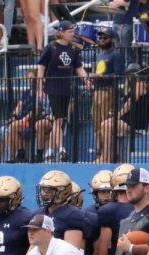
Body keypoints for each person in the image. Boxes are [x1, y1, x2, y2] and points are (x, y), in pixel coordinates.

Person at [36, 21, 91, 163]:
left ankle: (50, 151)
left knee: (60, 121)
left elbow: (79, 68)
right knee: (58, 119)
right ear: (61, 32)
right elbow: (41, 67)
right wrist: (40, 88)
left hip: (66, 89)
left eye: (73, 31)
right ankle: (61, 149)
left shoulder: (74, 49)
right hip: (52, 88)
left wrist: (86, 80)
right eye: (70, 31)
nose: (73, 34)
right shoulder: (51, 48)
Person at [91, 27, 124, 161]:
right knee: (96, 123)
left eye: (105, 37)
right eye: (100, 37)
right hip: (97, 91)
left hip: (108, 91)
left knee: (105, 122)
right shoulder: (100, 55)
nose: (101, 40)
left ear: (112, 39)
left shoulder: (115, 55)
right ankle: (100, 152)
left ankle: (108, 155)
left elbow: (119, 75)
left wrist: (101, 77)